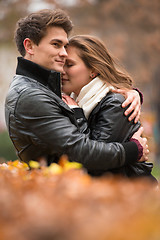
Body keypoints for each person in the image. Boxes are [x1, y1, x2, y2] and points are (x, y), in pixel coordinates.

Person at [5, 9, 148, 174]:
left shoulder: (43, 87)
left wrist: (131, 93)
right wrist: (134, 149)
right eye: (56, 44)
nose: (64, 53)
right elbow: (83, 152)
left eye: (65, 46)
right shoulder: (31, 95)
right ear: (29, 46)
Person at [62, 35, 155, 180]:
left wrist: (77, 116)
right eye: (62, 64)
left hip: (131, 193)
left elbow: (94, 161)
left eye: (69, 65)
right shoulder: (76, 102)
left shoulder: (115, 104)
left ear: (93, 69)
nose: (62, 71)